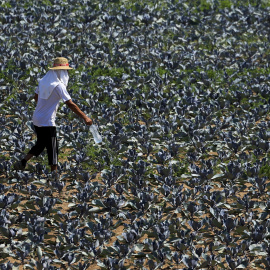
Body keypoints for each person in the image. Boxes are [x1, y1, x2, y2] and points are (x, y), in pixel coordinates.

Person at [14, 57, 92, 172]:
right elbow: (70, 104)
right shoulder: (58, 86)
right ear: (61, 71)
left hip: (37, 118)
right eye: (66, 71)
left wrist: (44, 107)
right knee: (52, 148)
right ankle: (54, 175)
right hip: (47, 121)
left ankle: (23, 161)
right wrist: (85, 117)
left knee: (41, 143)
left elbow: (36, 97)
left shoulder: (43, 81)